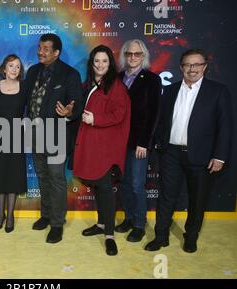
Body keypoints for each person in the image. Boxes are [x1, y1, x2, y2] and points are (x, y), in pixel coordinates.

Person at [145, 49, 231, 253]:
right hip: (171, 153)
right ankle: (161, 237)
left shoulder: (218, 91)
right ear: (181, 67)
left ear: (205, 67)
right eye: (187, 65)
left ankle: (191, 237)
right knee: (166, 197)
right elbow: (162, 120)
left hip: (201, 155)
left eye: (197, 64)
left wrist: (219, 156)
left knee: (197, 199)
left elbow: (225, 126)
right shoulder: (172, 90)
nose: (192, 69)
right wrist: (160, 145)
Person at [25, 33, 83, 244]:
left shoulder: (70, 74)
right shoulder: (32, 71)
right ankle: (46, 215)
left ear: (56, 52)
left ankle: (57, 224)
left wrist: (69, 112)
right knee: (42, 176)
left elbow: (77, 105)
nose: (41, 52)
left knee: (57, 179)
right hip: (34, 133)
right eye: (40, 48)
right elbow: (24, 96)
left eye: (46, 49)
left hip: (57, 135)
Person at [73, 45, 131, 256]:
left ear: (110, 64)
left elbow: (119, 114)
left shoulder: (116, 86)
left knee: (105, 189)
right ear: (92, 63)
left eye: (104, 61)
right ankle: (100, 224)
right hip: (89, 144)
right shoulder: (87, 84)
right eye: (96, 61)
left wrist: (95, 119)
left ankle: (109, 235)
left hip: (106, 147)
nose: (100, 65)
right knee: (97, 186)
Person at [115, 39, 162, 242]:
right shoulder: (116, 78)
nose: (133, 57)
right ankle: (128, 218)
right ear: (124, 56)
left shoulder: (152, 79)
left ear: (143, 56)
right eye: (129, 54)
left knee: (136, 184)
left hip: (139, 143)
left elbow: (153, 114)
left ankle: (139, 224)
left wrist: (145, 142)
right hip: (118, 141)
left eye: (137, 54)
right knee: (124, 183)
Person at [0, 54, 27, 233]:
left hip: (16, 137)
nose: (14, 70)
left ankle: (10, 216)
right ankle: (0, 214)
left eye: (17, 67)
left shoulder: (25, 87)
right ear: (4, 68)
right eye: (11, 66)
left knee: (13, 176)